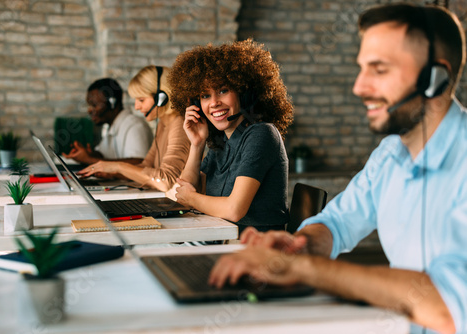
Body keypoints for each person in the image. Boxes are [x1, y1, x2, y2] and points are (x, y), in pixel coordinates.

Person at [209, 4, 467, 334]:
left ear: (435, 77)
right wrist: (299, 246)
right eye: (362, 69)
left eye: (379, 69)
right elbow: (337, 222)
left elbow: (449, 307)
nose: (359, 87)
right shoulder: (390, 155)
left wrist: (304, 269)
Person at [168, 39, 294, 233]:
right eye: (205, 96)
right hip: (224, 239)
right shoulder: (221, 142)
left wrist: (192, 198)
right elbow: (184, 189)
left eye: (223, 91)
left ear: (243, 92)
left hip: (255, 247)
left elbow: (234, 210)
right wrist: (197, 144)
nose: (214, 103)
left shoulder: (261, 134)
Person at [79, 66, 190, 192]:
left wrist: (118, 167)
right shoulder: (163, 123)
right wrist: (112, 172)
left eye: (141, 100)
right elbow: (145, 166)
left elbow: (166, 181)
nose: (137, 106)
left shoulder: (180, 124)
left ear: (162, 97)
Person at [63, 78, 153, 165]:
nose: (89, 110)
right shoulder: (111, 127)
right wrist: (88, 155)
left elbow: (139, 163)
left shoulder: (135, 126)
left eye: (94, 105)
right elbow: (103, 155)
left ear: (112, 103)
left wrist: (89, 159)